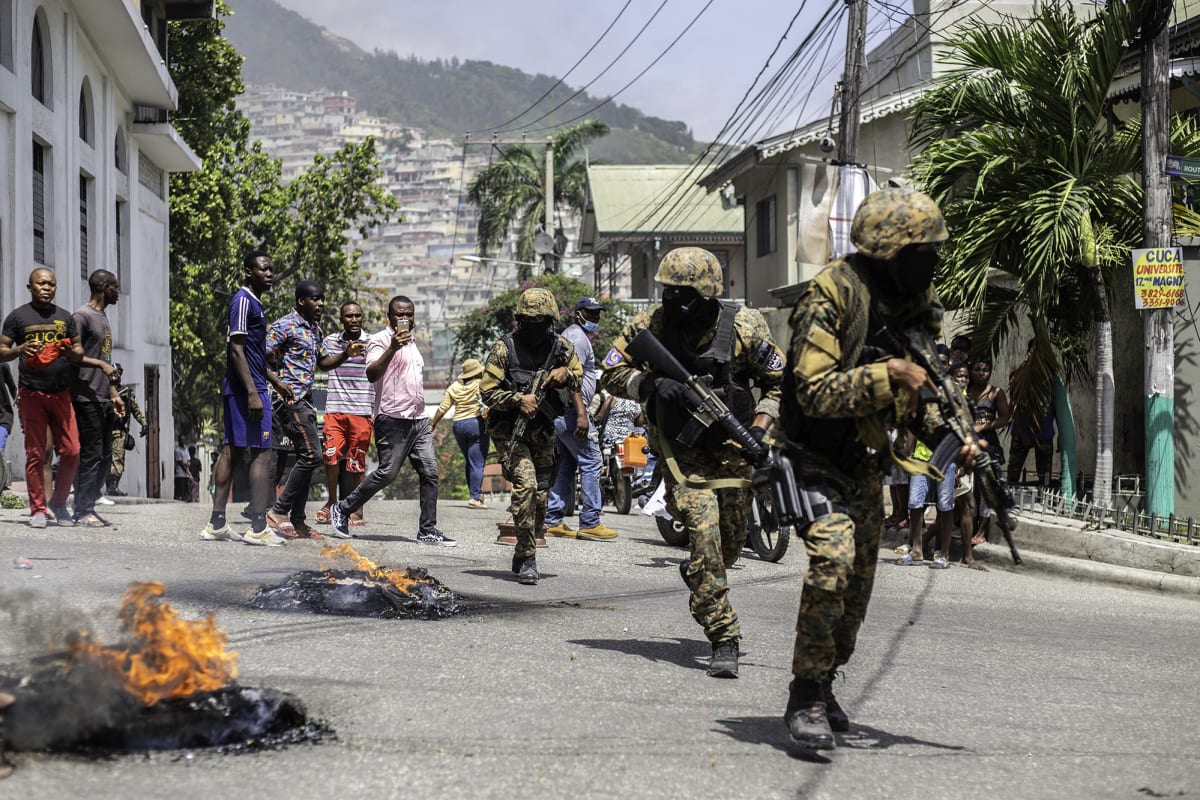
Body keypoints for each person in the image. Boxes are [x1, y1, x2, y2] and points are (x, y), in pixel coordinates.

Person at [775, 188, 979, 749]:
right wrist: (890, 376)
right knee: (832, 563)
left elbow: (928, 388)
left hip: (865, 462)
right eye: (923, 252)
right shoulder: (831, 295)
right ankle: (805, 694)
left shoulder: (914, 303)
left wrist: (955, 435)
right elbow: (812, 392)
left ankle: (825, 677)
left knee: (857, 593)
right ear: (889, 251)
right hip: (812, 457)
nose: (932, 263)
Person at [600, 247, 784, 678]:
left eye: (684, 295)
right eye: (668, 292)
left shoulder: (744, 325)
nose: (673, 303)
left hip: (734, 450)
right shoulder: (651, 327)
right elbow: (609, 371)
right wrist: (649, 382)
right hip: (679, 453)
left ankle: (700, 572)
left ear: (707, 294)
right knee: (704, 533)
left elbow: (779, 383)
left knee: (729, 547)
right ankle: (724, 635)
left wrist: (759, 429)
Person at [328, 296, 456, 546]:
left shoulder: (413, 342)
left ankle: (427, 530)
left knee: (430, 473)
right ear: (389, 317)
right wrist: (393, 348)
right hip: (392, 419)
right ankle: (342, 509)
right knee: (387, 473)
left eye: (409, 314)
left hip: (418, 419)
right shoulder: (379, 340)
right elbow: (371, 373)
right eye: (399, 315)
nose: (405, 319)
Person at [0, 268, 121, 528]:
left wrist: (70, 350)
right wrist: (20, 349)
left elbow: (78, 351)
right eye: (41, 284)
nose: (47, 288)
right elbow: (2, 350)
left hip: (61, 392)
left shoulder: (65, 317)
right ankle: (38, 509)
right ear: (29, 286)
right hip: (32, 392)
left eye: (51, 284)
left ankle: (58, 503)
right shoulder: (17, 317)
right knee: (36, 453)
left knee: (72, 450)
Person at [481, 288, 583, 585]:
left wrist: (565, 373)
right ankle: (527, 556)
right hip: (510, 431)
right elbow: (487, 392)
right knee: (525, 485)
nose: (535, 326)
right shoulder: (504, 349)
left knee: (540, 496)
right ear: (520, 321)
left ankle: (526, 545)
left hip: (544, 429)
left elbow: (579, 374)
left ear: (549, 321)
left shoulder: (561, 348)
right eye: (529, 321)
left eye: (541, 321)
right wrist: (517, 400)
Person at [199, 250, 292, 547]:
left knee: (235, 451)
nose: (269, 274)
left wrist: (274, 380)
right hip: (245, 391)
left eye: (271, 269)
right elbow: (236, 350)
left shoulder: (255, 302)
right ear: (248, 272)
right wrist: (253, 392)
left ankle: (217, 524)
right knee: (262, 453)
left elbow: (251, 355)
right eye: (263, 269)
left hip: (253, 387)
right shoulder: (242, 301)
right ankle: (257, 527)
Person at [544, 296, 618, 541]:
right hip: (570, 411)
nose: (595, 317)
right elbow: (570, 379)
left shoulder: (574, 336)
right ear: (578, 314)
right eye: (590, 312)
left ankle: (553, 520)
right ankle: (590, 522)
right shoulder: (576, 337)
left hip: (563, 411)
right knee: (592, 460)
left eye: (597, 313)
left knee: (567, 462)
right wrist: (582, 415)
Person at [264, 280, 325, 539]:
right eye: (315, 299)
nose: (320, 303)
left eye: (322, 299)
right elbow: (257, 357)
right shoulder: (284, 325)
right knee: (312, 455)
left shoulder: (315, 329)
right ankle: (278, 512)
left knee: (306, 456)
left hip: (307, 399)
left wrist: (347, 354)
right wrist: (278, 383)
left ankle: (298, 521)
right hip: (290, 400)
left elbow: (322, 362)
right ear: (301, 301)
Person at [70, 269, 126, 525]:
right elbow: (72, 354)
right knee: (91, 455)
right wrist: (102, 367)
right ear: (104, 287)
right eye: (115, 286)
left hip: (102, 396)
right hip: (85, 396)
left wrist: (114, 393)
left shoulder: (102, 317)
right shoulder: (82, 316)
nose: (119, 291)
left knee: (104, 455)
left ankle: (89, 505)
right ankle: (82, 510)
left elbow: (104, 359)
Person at [316, 302, 371, 526]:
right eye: (349, 316)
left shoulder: (372, 342)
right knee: (330, 456)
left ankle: (356, 508)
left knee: (357, 462)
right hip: (335, 409)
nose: (354, 319)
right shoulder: (330, 341)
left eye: (358, 315)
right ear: (342, 320)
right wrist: (346, 353)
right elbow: (324, 365)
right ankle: (331, 502)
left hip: (361, 410)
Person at [431, 357, 490, 509]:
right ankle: (475, 498)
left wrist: (433, 424)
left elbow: (443, 408)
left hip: (458, 426)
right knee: (477, 462)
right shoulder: (480, 384)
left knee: (470, 460)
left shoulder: (453, 387)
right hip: (476, 424)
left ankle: (475, 493)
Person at [968, 353, 1011, 542]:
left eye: (985, 370)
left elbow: (1005, 418)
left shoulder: (995, 392)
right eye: (977, 369)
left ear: (990, 372)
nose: (981, 373)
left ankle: (981, 532)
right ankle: (969, 526)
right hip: (967, 444)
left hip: (988, 445)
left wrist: (985, 426)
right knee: (968, 488)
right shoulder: (965, 391)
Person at [1007, 341, 1055, 488]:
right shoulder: (1018, 375)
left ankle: (1044, 504)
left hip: (1044, 432)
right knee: (1013, 474)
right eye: (1032, 351)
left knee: (1044, 477)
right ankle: (1008, 503)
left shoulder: (1052, 379)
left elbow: (1058, 407)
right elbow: (1014, 403)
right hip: (1021, 431)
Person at [106, 364, 147, 497]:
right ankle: (106, 486)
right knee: (104, 458)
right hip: (104, 430)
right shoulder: (103, 390)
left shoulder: (126, 392)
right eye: (113, 373)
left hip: (119, 431)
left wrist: (144, 424)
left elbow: (135, 409)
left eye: (118, 373)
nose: (116, 376)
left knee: (117, 458)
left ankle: (113, 486)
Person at [174, 434, 191, 501]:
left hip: (186, 474)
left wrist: (189, 463)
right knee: (180, 489)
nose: (183, 441)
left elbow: (188, 459)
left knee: (185, 489)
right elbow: (180, 463)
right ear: (179, 441)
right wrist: (187, 471)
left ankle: (184, 498)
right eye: (181, 440)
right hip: (180, 473)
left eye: (184, 440)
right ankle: (180, 498)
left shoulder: (186, 449)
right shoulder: (177, 450)